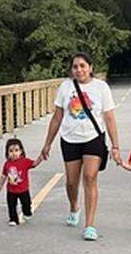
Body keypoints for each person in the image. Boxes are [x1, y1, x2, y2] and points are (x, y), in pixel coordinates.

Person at [36, 52, 122, 241]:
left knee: (90, 178)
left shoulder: (101, 88)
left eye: (83, 66)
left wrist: (115, 146)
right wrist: (47, 143)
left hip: (93, 138)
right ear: (71, 70)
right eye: (75, 66)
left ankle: (90, 225)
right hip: (70, 138)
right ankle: (74, 206)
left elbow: (109, 117)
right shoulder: (65, 87)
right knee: (71, 183)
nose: (79, 70)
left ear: (91, 68)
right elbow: (57, 116)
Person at [0, 137, 38, 226]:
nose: (14, 153)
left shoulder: (25, 162)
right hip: (11, 190)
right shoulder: (7, 164)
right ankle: (13, 219)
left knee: (26, 203)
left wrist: (41, 158)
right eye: (11, 151)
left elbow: (34, 164)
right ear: (7, 153)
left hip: (23, 189)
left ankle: (27, 212)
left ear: (21, 151)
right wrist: (0, 184)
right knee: (11, 205)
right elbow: (4, 175)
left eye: (16, 150)